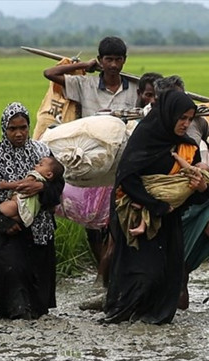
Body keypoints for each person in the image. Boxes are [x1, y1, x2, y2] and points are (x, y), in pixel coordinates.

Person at [104, 89, 209, 324]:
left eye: (190, 119)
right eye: (181, 118)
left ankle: (157, 318)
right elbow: (127, 178)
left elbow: (190, 193)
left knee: (167, 271)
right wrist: (155, 205)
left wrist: (202, 188)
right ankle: (124, 314)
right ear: (168, 115)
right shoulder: (145, 139)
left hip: (169, 220)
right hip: (138, 212)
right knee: (142, 273)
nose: (185, 124)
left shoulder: (187, 148)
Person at [43, 36, 139, 288]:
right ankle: (102, 271)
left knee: (116, 221)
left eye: (119, 60)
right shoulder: (84, 84)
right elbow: (49, 72)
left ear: (125, 61)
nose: (114, 65)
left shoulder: (135, 90)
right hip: (91, 164)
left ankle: (108, 273)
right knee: (93, 223)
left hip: (120, 164)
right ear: (101, 60)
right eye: (108, 59)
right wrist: (84, 65)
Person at [0, 102, 64, 320]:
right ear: (4, 129)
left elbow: (59, 185)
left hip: (39, 230)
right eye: (12, 129)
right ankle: (16, 318)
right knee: (11, 276)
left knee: (37, 288)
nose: (19, 133)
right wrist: (3, 224)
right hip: (9, 231)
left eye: (23, 127)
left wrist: (42, 187)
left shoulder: (41, 151)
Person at [153, 75, 209, 309]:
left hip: (199, 196)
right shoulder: (152, 127)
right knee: (180, 276)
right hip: (172, 205)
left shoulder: (198, 122)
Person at [0, 156, 65, 256]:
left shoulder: (36, 175)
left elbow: (21, 184)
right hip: (29, 214)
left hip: (20, 207)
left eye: (40, 165)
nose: (36, 165)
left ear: (49, 174)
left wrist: (5, 185)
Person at [116, 150, 209, 246]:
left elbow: (196, 195)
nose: (196, 166)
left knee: (155, 195)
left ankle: (141, 207)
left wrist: (177, 157)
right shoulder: (143, 144)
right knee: (154, 202)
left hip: (171, 210)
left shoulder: (190, 152)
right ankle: (142, 215)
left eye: (198, 166)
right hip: (170, 202)